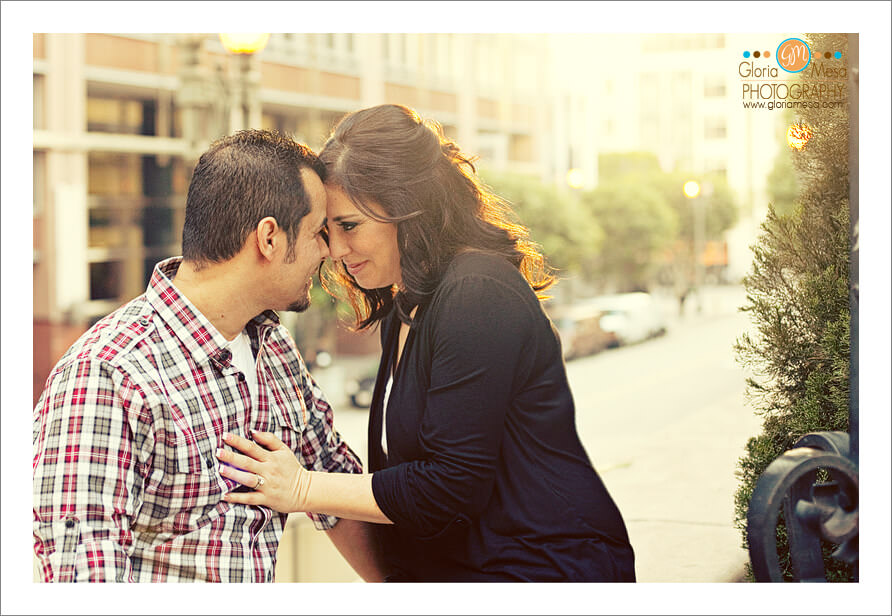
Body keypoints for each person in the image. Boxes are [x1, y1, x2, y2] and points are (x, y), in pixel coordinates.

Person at [218, 105, 636, 582]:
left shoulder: (477, 291)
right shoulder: (408, 306)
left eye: (350, 226)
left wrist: (302, 487)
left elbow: (449, 487)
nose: (335, 250)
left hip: (546, 569)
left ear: (408, 207)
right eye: (326, 232)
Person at [32, 130, 386, 583]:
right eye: (319, 232)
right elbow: (82, 575)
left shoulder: (274, 348)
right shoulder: (108, 374)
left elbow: (332, 484)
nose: (331, 251)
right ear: (269, 239)